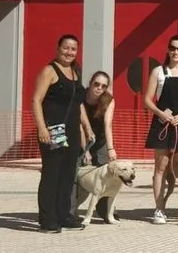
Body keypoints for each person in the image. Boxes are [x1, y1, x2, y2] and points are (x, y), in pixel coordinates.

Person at [32, 34, 90, 233]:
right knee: (52, 175)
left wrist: (86, 127)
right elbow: (36, 100)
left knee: (67, 175)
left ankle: (64, 215)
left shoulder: (75, 72)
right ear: (58, 48)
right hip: (54, 130)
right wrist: (41, 128)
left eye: (73, 49)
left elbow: (78, 103)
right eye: (66, 48)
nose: (69, 52)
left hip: (72, 131)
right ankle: (48, 220)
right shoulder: (49, 70)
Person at [142, 35, 178, 225]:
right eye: (173, 48)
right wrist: (161, 114)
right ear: (168, 49)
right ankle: (159, 209)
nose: (176, 52)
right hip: (163, 124)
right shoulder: (158, 72)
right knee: (161, 167)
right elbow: (148, 100)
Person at [78, 71, 118, 222]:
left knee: (105, 175)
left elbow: (108, 125)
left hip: (100, 141)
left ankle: (106, 212)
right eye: (96, 84)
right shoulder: (80, 96)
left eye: (103, 86)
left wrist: (110, 148)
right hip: (80, 137)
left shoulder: (108, 100)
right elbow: (79, 125)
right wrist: (85, 150)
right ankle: (70, 210)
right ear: (90, 83)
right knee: (80, 175)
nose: (99, 88)